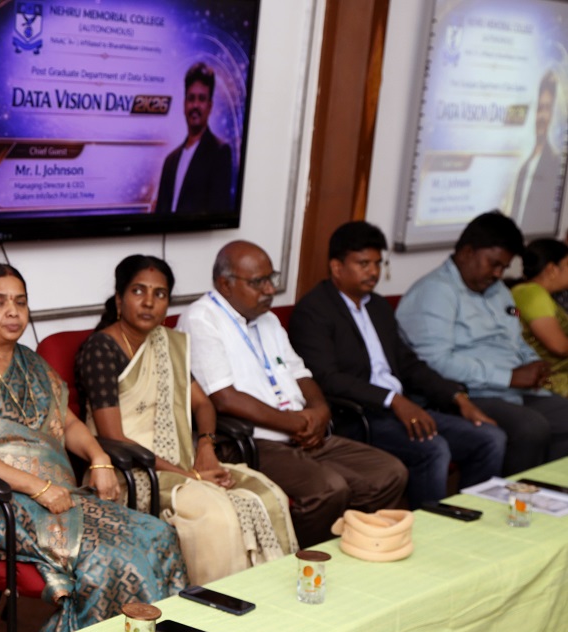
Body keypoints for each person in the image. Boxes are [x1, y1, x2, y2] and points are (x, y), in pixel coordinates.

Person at [0, 263, 187, 632]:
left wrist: (99, 459)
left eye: (20, 302)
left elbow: (68, 425)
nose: (12, 312)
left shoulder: (32, 363)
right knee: (110, 557)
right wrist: (37, 488)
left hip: (54, 495)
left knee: (158, 533)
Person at [75, 255, 297, 582]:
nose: (149, 302)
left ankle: (268, 595)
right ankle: (218, 603)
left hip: (183, 464)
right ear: (120, 299)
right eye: (138, 291)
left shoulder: (169, 345)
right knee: (218, 514)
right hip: (129, 473)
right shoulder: (101, 349)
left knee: (268, 495)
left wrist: (206, 447)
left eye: (160, 294)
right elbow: (114, 438)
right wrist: (189, 475)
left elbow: (204, 405)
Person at [178, 241, 407, 547]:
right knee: (328, 489)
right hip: (252, 442)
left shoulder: (269, 319)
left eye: (271, 278)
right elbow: (224, 398)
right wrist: (297, 423)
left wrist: (319, 412)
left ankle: (352, 546)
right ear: (225, 284)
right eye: (258, 282)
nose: (270, 289)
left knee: (389, 472)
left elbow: (301, 374)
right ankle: (302, 561)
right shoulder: (201, 319)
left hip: (302, 432)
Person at [288, 221, 505, 505]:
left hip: (400, 408)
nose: (374, 272)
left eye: (377, 263)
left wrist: (457, 397)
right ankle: (429, 527)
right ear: (337, 267)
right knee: (433, 448)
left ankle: (470, 517)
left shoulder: (378, 307)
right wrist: (393, 400)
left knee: (490, 439)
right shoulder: (314, 310)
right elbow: (328, 378)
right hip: (357, 416)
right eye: (363, 264)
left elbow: (408, 364)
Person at [396, 211, 568, 474]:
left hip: (512, 390)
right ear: (467, 252)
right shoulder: (434, 292)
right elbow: (435, 363)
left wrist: (534, 364)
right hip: (466, 394)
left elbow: (516, 339)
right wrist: (508, 377)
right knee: (531, 428)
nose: (498, 274)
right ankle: (513, 495)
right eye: (493, 264)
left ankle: (548, 493)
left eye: (504, 267)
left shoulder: (498, 291)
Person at [154, 62, 233, 214]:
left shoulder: (219, 153)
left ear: (210, 106)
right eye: (191, 98)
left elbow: (218, 211)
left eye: (201, 99)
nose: (195, 105)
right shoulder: (170, 161)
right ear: (184, 104)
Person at [505, 71, 563, 236]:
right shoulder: (524, 166)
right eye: (539, 109)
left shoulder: (555, 163)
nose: (542, 116)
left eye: (547, 109)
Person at [511, 238, 568, 396]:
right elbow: (559, 347)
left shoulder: (530, 291)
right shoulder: (532, 294)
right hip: (550, 378)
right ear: (552, 270)